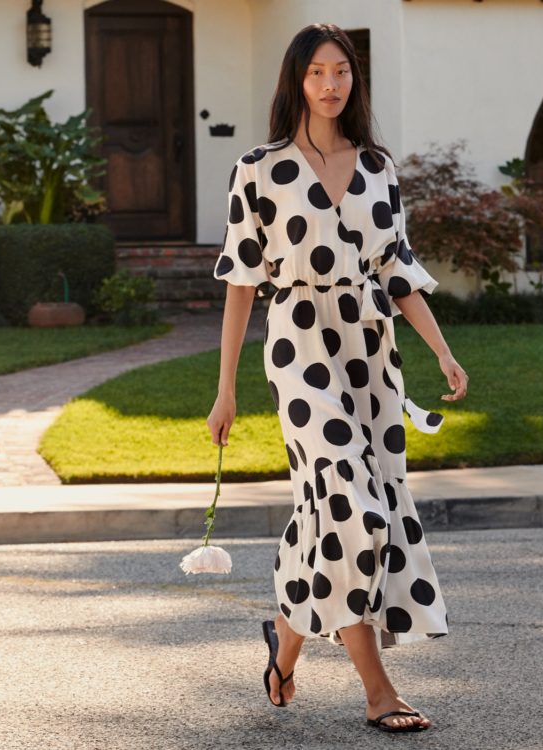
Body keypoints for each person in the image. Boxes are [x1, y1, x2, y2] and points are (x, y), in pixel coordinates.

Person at [206, 23, 468, 733]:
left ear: (354, 81)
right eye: (317, 72)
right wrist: (225, 388)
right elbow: (240, 282)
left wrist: (441, 351)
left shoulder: (378, 166)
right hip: (298, 346)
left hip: (371, 353)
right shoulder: (259, 169)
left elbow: (399, 269)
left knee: (333, 514)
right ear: (296, 80)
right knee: (354, 508)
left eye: (342, 72)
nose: (330, 84)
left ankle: (284, 644)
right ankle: (378, 690)